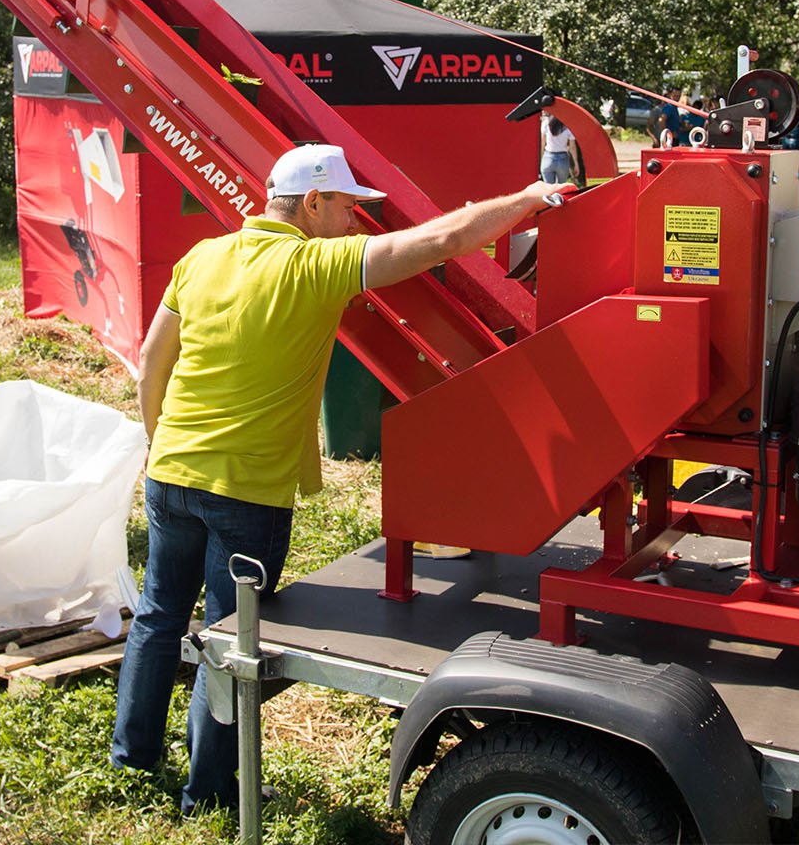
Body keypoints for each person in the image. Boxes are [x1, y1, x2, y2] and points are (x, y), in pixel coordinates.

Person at [111, 143, 569, 813]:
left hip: (172, 471)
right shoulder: (314, 265)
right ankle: (208, 795)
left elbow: (153, 358)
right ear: (314, 202)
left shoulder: (203, 257)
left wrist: (160, 440)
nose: (357, 221)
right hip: (247, 491)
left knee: (157, 617)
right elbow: (441, 239)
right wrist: (528, 200)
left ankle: (131, 761)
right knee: (227, 638)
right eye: (350, 206)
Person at [539, 110, 583, 186]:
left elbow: (542, 144)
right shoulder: (568, 126)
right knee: (560, 188)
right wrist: (576, 163)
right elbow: (572, 147)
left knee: (549, 189)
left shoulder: (546, 123)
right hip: (562, 159)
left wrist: (541, 159)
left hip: (548, 157)